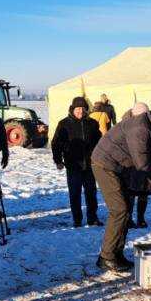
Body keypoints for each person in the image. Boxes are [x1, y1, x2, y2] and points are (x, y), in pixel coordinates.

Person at [90, 103, 151, 273]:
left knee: (126, 209)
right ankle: (106, 257)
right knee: (119, 210)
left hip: (118, 166)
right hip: (105, 164)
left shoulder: (147, 125)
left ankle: (116, 253)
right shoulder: (140, 129)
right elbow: (143, 165)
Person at [51, 96, 102, 227]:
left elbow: (99, 143)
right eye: (77, 109)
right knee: (75, 193)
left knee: (91, 193)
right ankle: (77, 219)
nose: (80, 111)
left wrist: (100, 158)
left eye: (83, 109)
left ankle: (92, 218)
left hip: (90, 164)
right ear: (73, 109)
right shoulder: (64, 124)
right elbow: (56, 143)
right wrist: (58, 160)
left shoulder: (93, 123)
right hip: (73, 164)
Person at [125, 136, 151, 229]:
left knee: (144, 193)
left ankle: (141, 218)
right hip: (133, 166)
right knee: (130, 193)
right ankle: (128, 219)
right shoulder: (134, 130)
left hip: (149, 167)